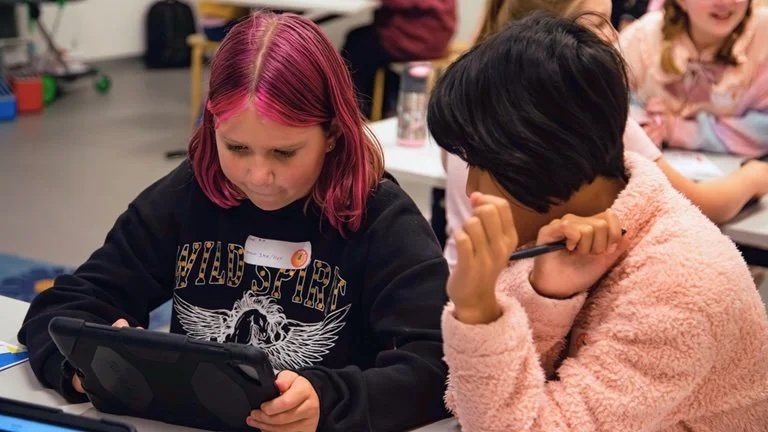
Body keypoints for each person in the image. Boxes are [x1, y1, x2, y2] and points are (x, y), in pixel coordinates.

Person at [17, 12, 450, 432]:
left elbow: (440, 365)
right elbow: (67, 305)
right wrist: (83, 368)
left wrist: (331, 400)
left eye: (284, 153)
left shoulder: (381, 219)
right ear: (212, 125)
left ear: (334, 133)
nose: (257, 176)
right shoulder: (189, 194)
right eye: (237, 148)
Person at [428, 13, 768, 431]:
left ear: (540, 155)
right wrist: (546, 295)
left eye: (481, 163)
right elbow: (474, 402)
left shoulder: (682, 285)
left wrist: (478, 311)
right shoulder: (557, 230)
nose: (470, 189)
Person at [442, 0, 768, 270]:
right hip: (512, 287)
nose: (614, 39)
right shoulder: (583, 110)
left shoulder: (468, 98)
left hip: (466, 282)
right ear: (548, 37)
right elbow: (699, 203)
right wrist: (754, 177)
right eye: (598, 25)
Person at [620, 0, 768, 155]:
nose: (725, 2)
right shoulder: (644, 37)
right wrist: (644, 123)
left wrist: (679, 130)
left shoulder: (762, 35)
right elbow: (605, 103)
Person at [341, 0, 456, 118]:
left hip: (417, 37)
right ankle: (374, 105)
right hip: (437, 35)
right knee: (361, 42)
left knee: (357, 46)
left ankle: (351, 109)